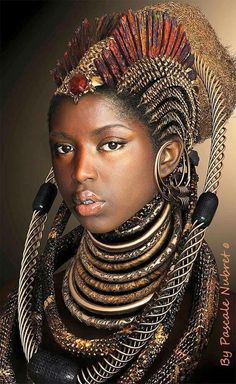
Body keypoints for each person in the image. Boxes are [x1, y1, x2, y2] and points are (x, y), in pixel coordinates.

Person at [0, 2, 235, 384]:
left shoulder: (222, 332)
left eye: (110, 144)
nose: (80, 173)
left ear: (168, 156)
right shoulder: (22, 308)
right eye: (63, 147)